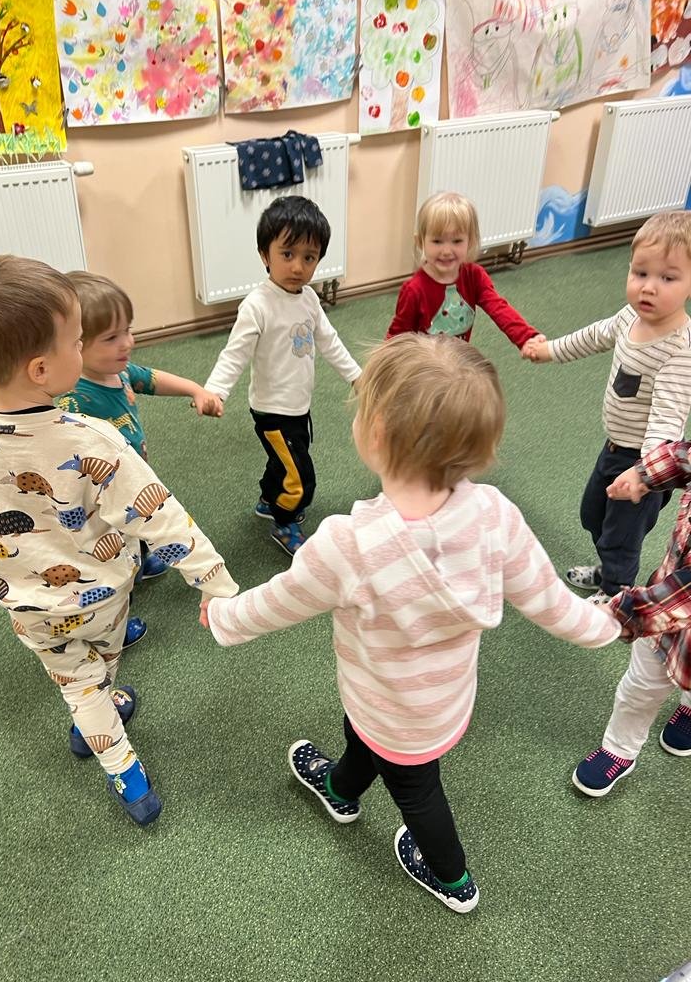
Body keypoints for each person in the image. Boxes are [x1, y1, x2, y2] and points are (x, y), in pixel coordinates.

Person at [202, 333, 620, 913]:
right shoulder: (494, 514)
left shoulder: (348, 544)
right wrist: (608, 623)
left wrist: (222, 615)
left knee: (417, 790)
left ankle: (452, 878)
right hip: (440, 699)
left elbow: (275, 603)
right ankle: (340, 790)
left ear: (374, 435)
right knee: (363, 739)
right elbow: (552, 603)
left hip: (390, 707)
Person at [0, 255, 238, 826]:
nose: (84, 350)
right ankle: (116, 750)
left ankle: (98, 732)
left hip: (25, 605)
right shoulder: (91, 440)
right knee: (99, 673)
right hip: (100, 599)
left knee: (74, 680)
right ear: (41, 368)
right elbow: (162, 518)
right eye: (77, 342)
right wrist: (215, 582)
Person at [525, 211, 691, 604]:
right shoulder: (630, 316)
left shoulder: (679, 350)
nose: (648, 287)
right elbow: (593, 335)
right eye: (640, 273)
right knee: (593, 514)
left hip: (642, 463)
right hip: (614, 447)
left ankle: (616, 597)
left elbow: (666, 421)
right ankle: (610, 572)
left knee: (622, 535)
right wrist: (549, 351)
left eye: (667, 278)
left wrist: (644, 475)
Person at [204, 195, 361, 557]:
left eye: (309, 257)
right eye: (287, 254)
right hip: (272, 410)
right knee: (300, 477)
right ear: (265, 254)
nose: (297, 266)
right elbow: (235, 353)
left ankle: (267, 498)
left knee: (285, 458)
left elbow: (329, 341)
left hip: (299, 405)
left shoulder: (309, 299)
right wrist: (215, 390)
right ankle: (284, 521)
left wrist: (356, 375)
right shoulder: (257, 305)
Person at [58, 270, 223, 584]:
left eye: (127, 330)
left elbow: (153, 379)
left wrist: (195, 390)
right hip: (106, 486)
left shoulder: (119, 372)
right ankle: (125, 580)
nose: (127, 343)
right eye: (111, 338)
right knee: (117, 533)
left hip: (133, 467)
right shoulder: (75, 399)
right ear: (76, 345)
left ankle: (143, 556)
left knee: (139, 516)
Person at [572, 441, 691, 797]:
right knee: (640, 685)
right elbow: (685, 456)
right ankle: (619, 750)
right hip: (665, 613)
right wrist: (644, 474)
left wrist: (622, 612)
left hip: (667, 604)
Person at [385, 191, 544, 356]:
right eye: (437, 241)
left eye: (457, 241)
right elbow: (397, 337)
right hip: (423, 366)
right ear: (420, 242)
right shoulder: (414, 290)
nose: (446, 251)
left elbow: (499, 308)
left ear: (470, 241)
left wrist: (526, 337)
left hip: (457, 362)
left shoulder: (474, 276)